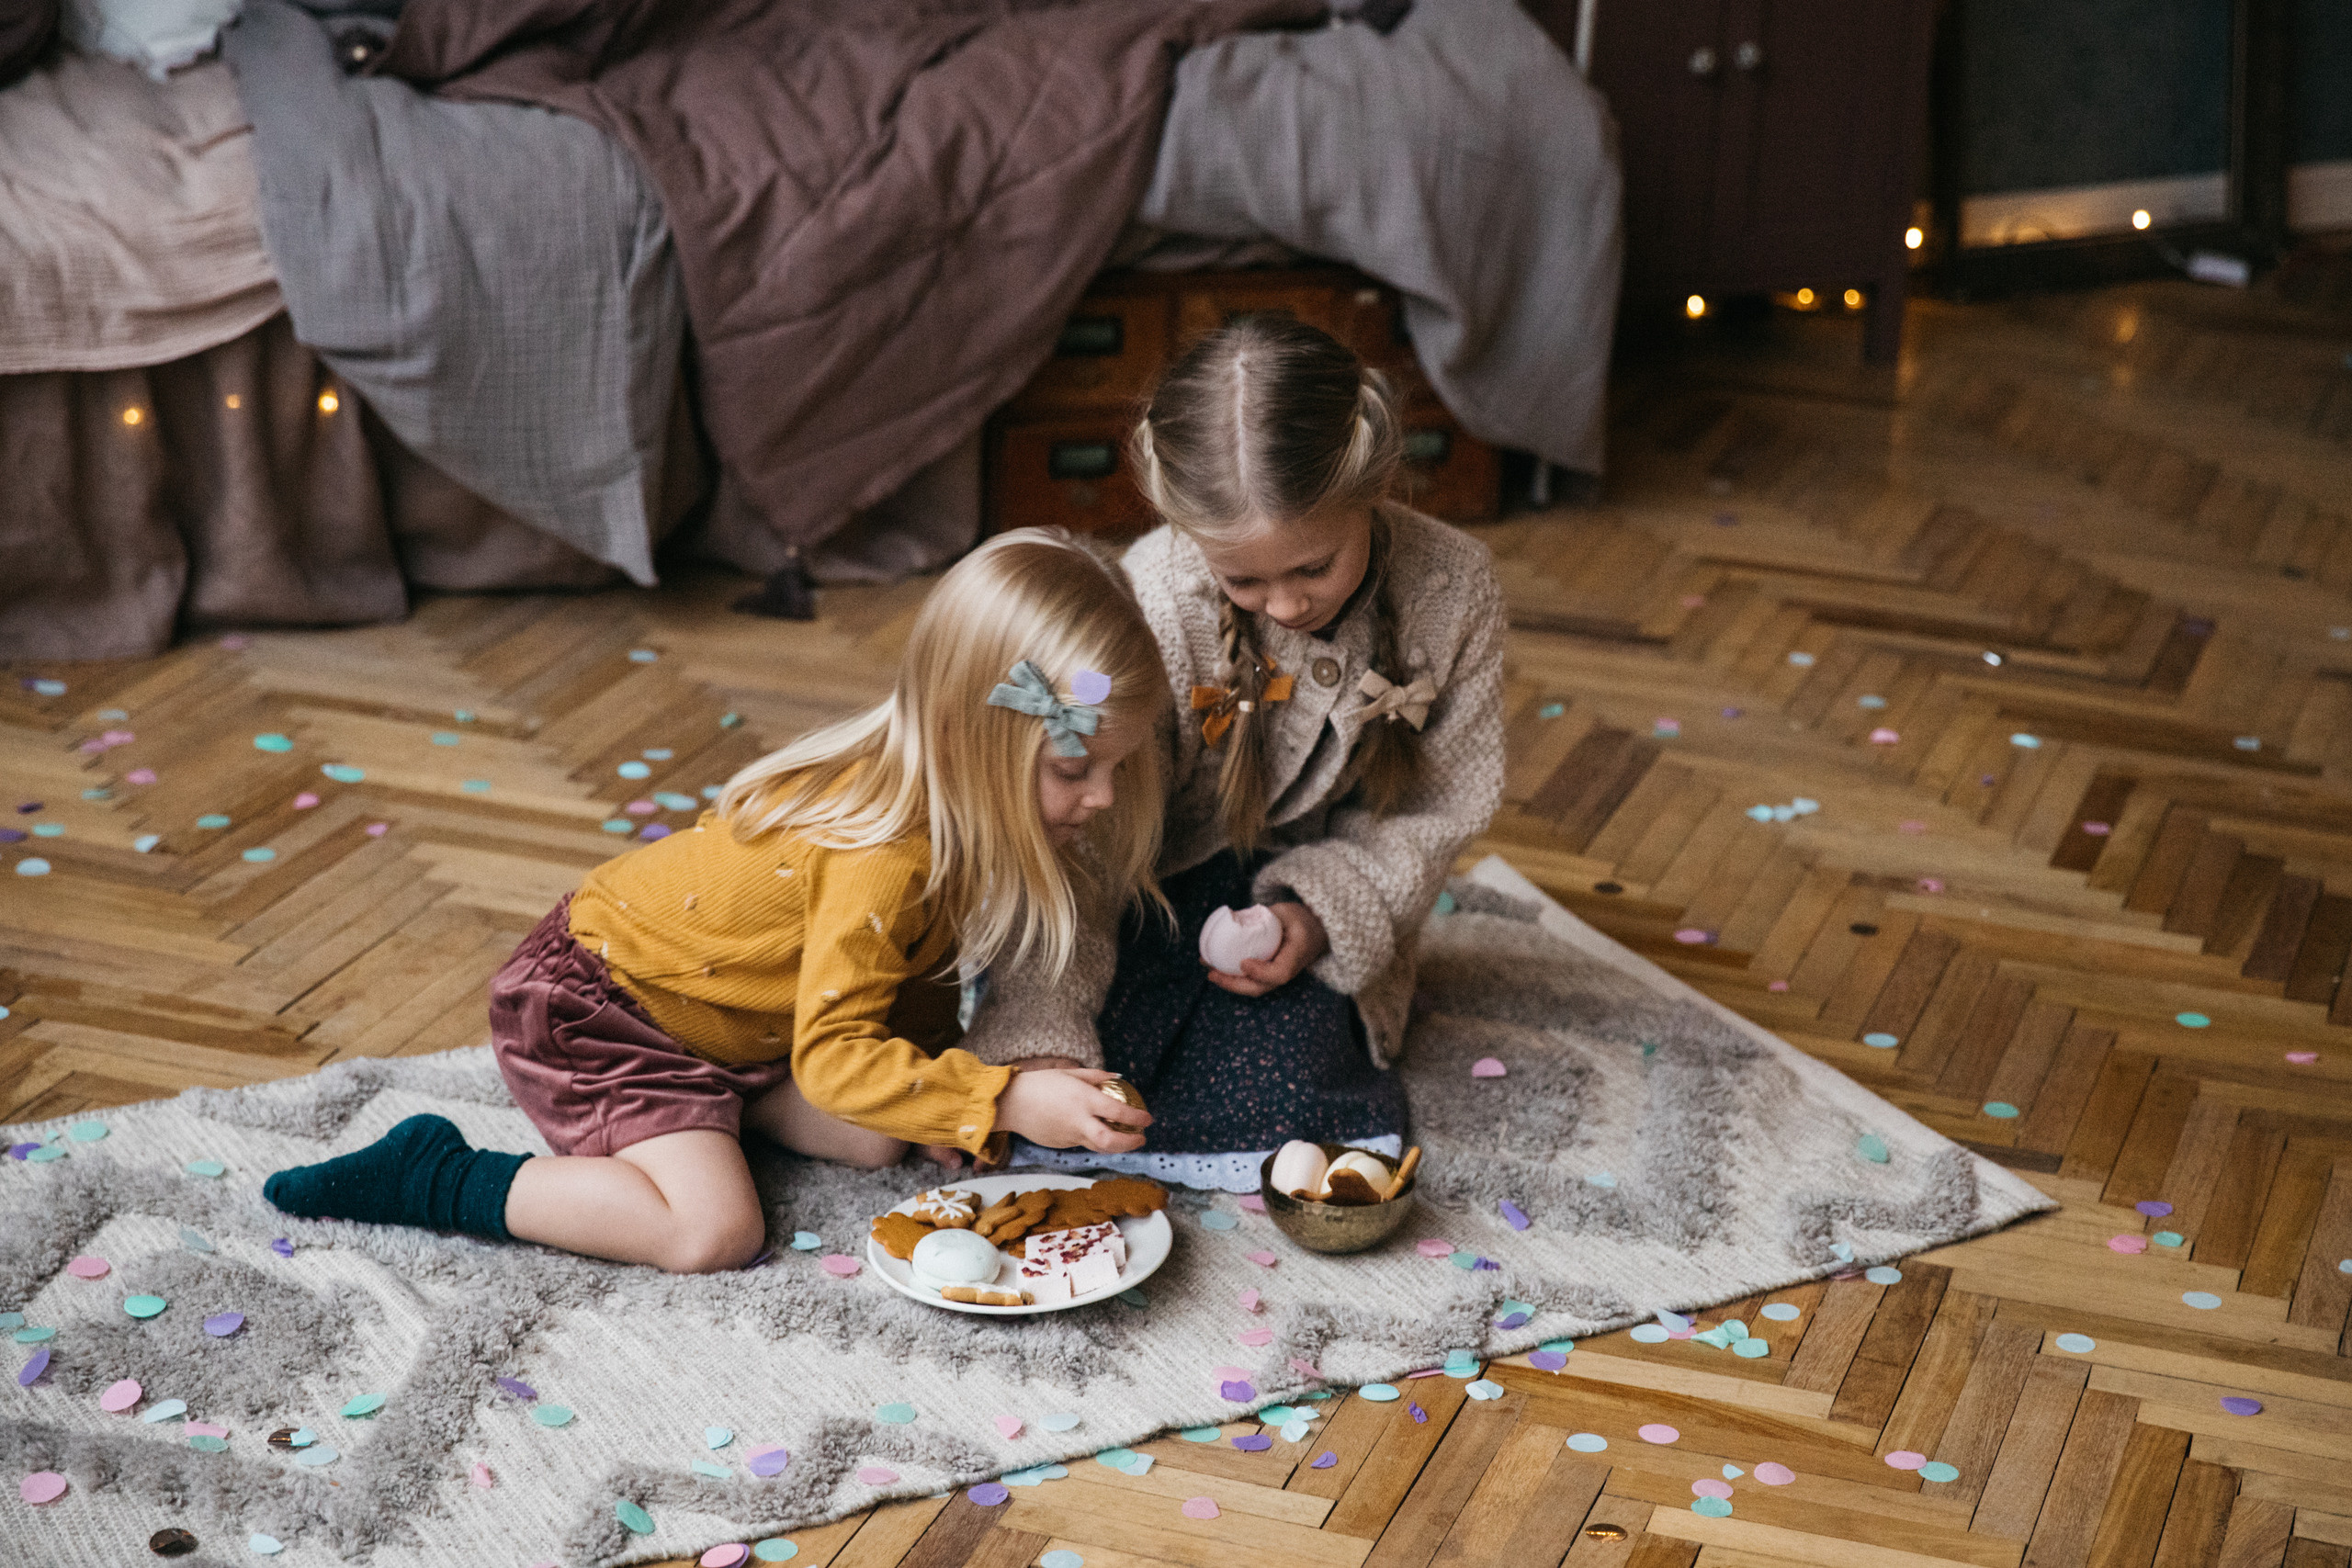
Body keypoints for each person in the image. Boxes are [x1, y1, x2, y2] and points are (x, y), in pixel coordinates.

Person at [263, 531, 1166, 1270]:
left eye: (1117, 769)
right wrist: (1000, 1096)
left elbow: (906, 981)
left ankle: (737, 1106)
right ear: (974, 743)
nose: (1102, 798)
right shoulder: (885, 852)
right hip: (599, 1013)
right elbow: (841, 1059)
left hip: (736, 1027)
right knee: (713, 1234)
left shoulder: (958, 817)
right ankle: (438, 1173)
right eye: (1077, 769)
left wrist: (947, 1091)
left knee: (878, 1139)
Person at [960, 316, 1506, 1189]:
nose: (1284, 606)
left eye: (1313, 569)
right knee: (1094, 1073)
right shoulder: (1156, 596)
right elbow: (1083, 847)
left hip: (1318, 887)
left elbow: (1435, 811)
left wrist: (1318, 916)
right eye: (1244, 581)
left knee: (1296, 1077)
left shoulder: (1455, 589)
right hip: (1141, 881)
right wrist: (1037, 1046)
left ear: (1372, 486)